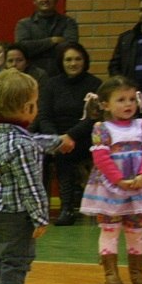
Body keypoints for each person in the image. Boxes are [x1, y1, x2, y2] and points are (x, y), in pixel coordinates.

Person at [0, 69, 66, 284]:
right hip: (15, 213)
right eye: (35, 103)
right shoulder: (23, 145)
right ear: (26, 107)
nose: (37, 107)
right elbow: (31, 185)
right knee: (18, 259)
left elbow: (29, 140)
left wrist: (56, 142)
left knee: (2, 256)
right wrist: (40, 217)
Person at [77, 77, 142, 284]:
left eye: (131, 99)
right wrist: (119, 180)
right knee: (110, 228)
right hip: (111, 188)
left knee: (136, 229)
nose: (128, 104)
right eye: (121, 100)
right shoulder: (101, 128)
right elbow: (101, 158)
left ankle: (136, 270)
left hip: (138, 186)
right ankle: (110, 271)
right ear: (105, 104)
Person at [37, 42, 102, 226]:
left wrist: (70, 136)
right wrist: (55, 138)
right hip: (55, 137)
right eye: (68, 59)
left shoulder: (95, 84)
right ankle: (37, 207)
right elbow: (44, 116)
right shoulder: (51, 85)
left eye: (77, 59)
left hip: (85, 137)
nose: (73, 63)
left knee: (66, 154)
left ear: (84, 61)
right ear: (62, 62)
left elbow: (93, 119)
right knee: (39, 153)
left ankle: (67, 208)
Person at [15, 0, 79, 78]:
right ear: (34, 0)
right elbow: (23, 48)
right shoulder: (24, 24)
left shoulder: (68, 22)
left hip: (62, 76)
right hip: (31, 78)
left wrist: (36, 49)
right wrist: (51, 41)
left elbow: (70, 47)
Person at [109, 0, 142, 95]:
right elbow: (114, 66)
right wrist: (121, 85)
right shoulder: (126, 39)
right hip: (131, 94)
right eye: (141, 10)